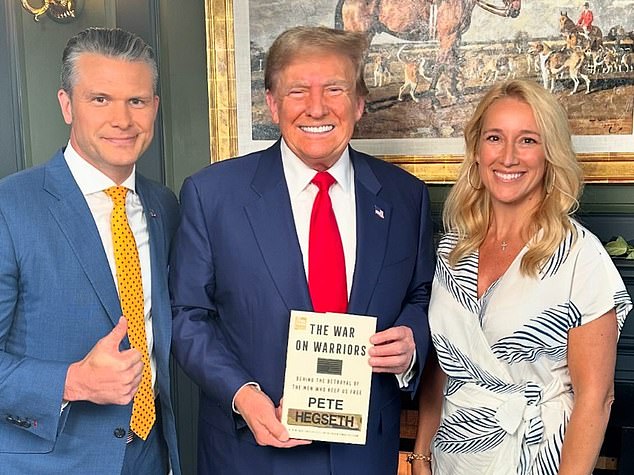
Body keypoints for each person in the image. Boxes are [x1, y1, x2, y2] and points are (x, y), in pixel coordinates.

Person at [169, 26, 435, 475]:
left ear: (359, 102)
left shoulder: (405, 197)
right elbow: (186, 314)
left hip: (364, 454)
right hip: (251, 454)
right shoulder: (213, 194)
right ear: (272, 104)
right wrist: (244, 396)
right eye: (298, 91)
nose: (317, 107)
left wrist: (412, 344)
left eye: (335, 89)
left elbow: (421, 295)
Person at [410, 79, 632, 475]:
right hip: (454, 456)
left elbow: (596, 399)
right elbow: (441, 367)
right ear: (477, 151)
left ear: (550, 154)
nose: (508, 156)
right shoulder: (451, 250)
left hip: (538, 457)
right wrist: (421, 455)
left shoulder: (580, 258)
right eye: (495, 137)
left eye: (527, 140)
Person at [0, 27, 181, 474]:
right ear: (67, 105)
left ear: (154, 108)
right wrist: (72, 381)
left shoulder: (164, 206)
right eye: (100, 99)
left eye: (136, 101)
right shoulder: (10, 207)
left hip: (152, 457)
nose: (122, 119)